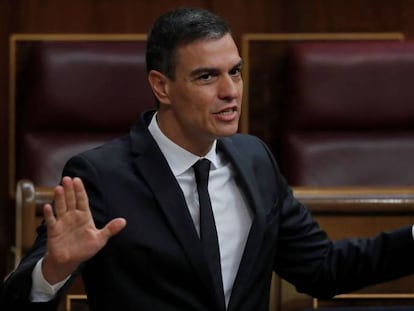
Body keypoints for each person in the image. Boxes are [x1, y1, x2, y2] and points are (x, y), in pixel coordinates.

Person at [1, 6, 414, 311]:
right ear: (161, 86)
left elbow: (323, 270)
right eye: (207, 77)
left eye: (234, 71)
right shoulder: (99, 176)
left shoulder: (255, 159)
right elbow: (20, 298)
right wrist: (52, 271)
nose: (230, 91)